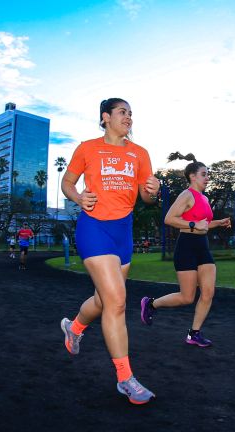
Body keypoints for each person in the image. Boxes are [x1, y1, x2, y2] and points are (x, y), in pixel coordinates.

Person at [60, 98, 160, 405]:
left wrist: (152, 191)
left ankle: (73, 327)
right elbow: (67, 182)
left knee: (104, 300)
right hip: (94, 229)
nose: (128, 117)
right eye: (122, 112)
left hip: (123, 233)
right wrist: (78, 197)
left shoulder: (140, 153)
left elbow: (146, 197)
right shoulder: (87, 148)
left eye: (130, 113)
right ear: (105, 117)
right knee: (117, 301)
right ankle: (125, 379)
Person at [140, 155, 230, 347]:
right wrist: (193, 223)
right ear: (192, 176)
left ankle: (194, 333)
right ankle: (151, 303)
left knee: (207, 293)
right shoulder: (186, 195)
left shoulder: (204, 198)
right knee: (187, 297)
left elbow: (203, 225)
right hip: (187, 246)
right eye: (204, 175)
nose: (207, 178)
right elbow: (169, 219)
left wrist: (219, 222)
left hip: (202, 247)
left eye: (208, 175)